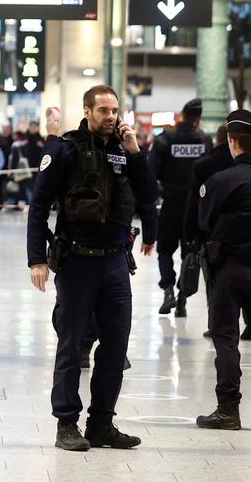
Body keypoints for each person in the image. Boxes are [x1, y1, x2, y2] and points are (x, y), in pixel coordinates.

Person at [27, 86, 156, 452]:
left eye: (114, 110)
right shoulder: (67, 149)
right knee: (71, 345)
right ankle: (66, 423)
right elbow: (38, 207)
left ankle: (101, 423)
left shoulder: (123, 149)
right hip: (78, 262)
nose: (110, 116)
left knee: (115, 347)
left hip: (115, 262)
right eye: (103, 110)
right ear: (87, 111)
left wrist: (135, 152)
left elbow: (148, 194)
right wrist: (37, 259)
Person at [194, 110, 251, 433]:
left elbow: (204, 221)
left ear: (232, 141)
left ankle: (228, 410)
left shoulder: (222, 180)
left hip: (229, 270)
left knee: (226, 339)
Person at [149, 99, 214, 316]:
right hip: (195, 207)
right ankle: (183, 300)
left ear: (182, 115)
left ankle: (168, 292)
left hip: (171, 204)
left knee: (165, 250)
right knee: (190, 252)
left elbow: (153, 173)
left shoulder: (164, 140)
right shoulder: (204, 141)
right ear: (198, 119)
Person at [182, 124, 236, 337]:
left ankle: (216, 323)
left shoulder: (203, 165)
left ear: (218, 139)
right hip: (240, 233)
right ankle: (249, 323)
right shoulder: (241, 165)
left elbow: (193, 202)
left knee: (212, 278)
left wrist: (189, 232)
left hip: (211, 233)